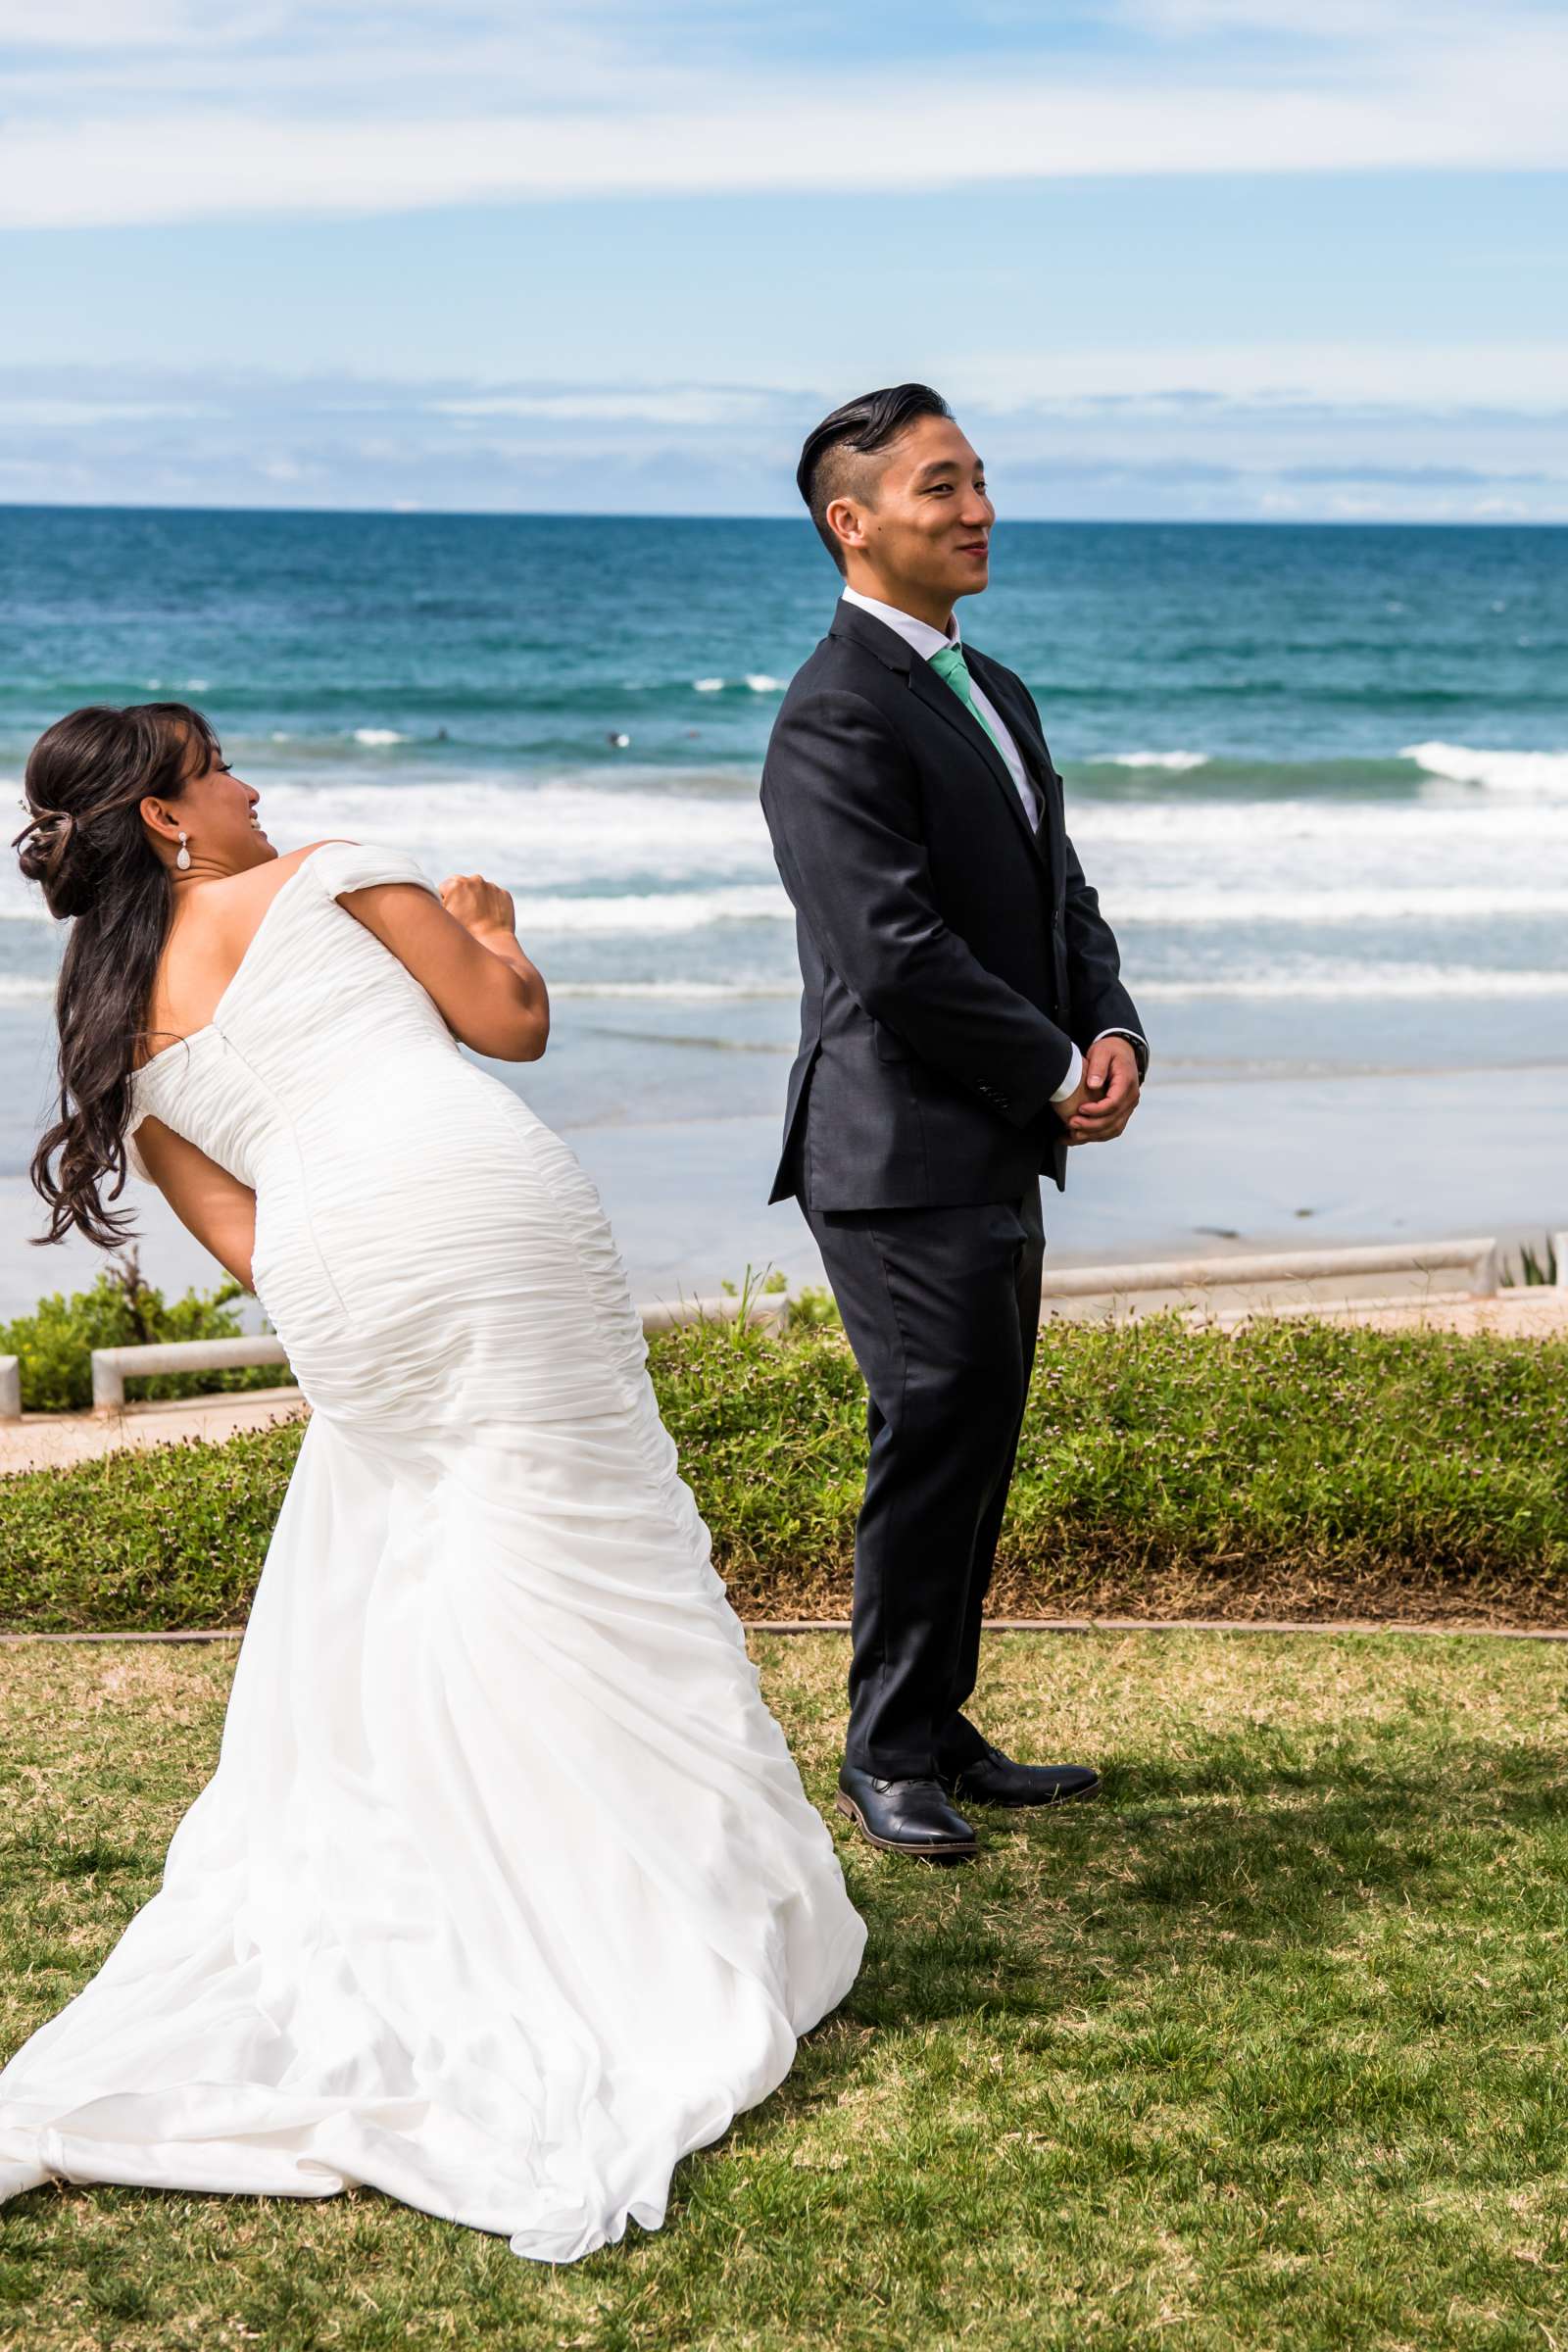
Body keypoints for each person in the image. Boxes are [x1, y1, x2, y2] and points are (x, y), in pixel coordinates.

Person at [0, 703, 864, 2262]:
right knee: (576, 1542)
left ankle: (495, 1887)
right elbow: (511, 1026)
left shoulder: (112, 1012)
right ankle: (632, 1921)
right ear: (168, 819)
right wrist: (493, 927)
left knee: (439, 1562)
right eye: (220, 769)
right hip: (478, 1204)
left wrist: (358, 1270)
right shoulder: (338, 872)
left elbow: (246, 1242)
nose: (255, 782)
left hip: (339, 1272)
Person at [760, 385, 1147, 1866]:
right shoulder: (832, 711)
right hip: (895, 1147)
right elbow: (893, 949)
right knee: (930, 1437)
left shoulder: (995, 687)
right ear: (852, 524)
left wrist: (1108, 1029)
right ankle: (883, 1753)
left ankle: (938, 1723)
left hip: (993, 1127)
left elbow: (1065, 893)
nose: (977, 508)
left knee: (978, 1434)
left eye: (980, 479)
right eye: (941, 487)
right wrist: (1052, 1068)